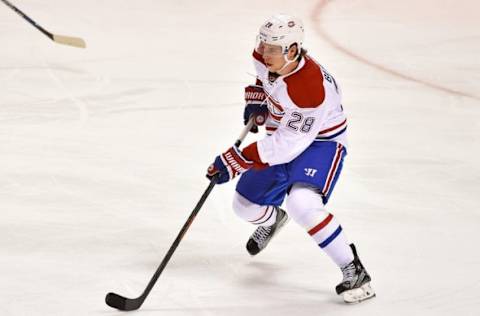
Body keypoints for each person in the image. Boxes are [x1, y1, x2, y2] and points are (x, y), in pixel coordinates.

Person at [206, 14, 375, 303]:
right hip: (285, 136)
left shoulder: (310, 88)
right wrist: (256, 101)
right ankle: (273, 220)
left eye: (273, 48)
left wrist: (236, 159)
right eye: (263, 45)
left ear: (293, 50)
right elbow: (263, 81)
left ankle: (353, 269)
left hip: (321, 145)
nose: (264, 52)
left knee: (302, 204)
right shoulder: (265, 57)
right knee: (244, 206)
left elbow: (287, 146)